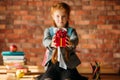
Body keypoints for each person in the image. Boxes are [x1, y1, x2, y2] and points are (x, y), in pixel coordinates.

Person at [36, 2, 88, 80]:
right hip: (53, 63)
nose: (60, 19)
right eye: (58, 16)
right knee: (48, 78)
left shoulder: (71, 31)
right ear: (53, 17)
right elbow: (45, 40)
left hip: (68, 64)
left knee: (68, 78)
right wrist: (51, 43)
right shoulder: (48, 31)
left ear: (67, 17)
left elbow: (75, 40)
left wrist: (71, 42)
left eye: (63, 16)